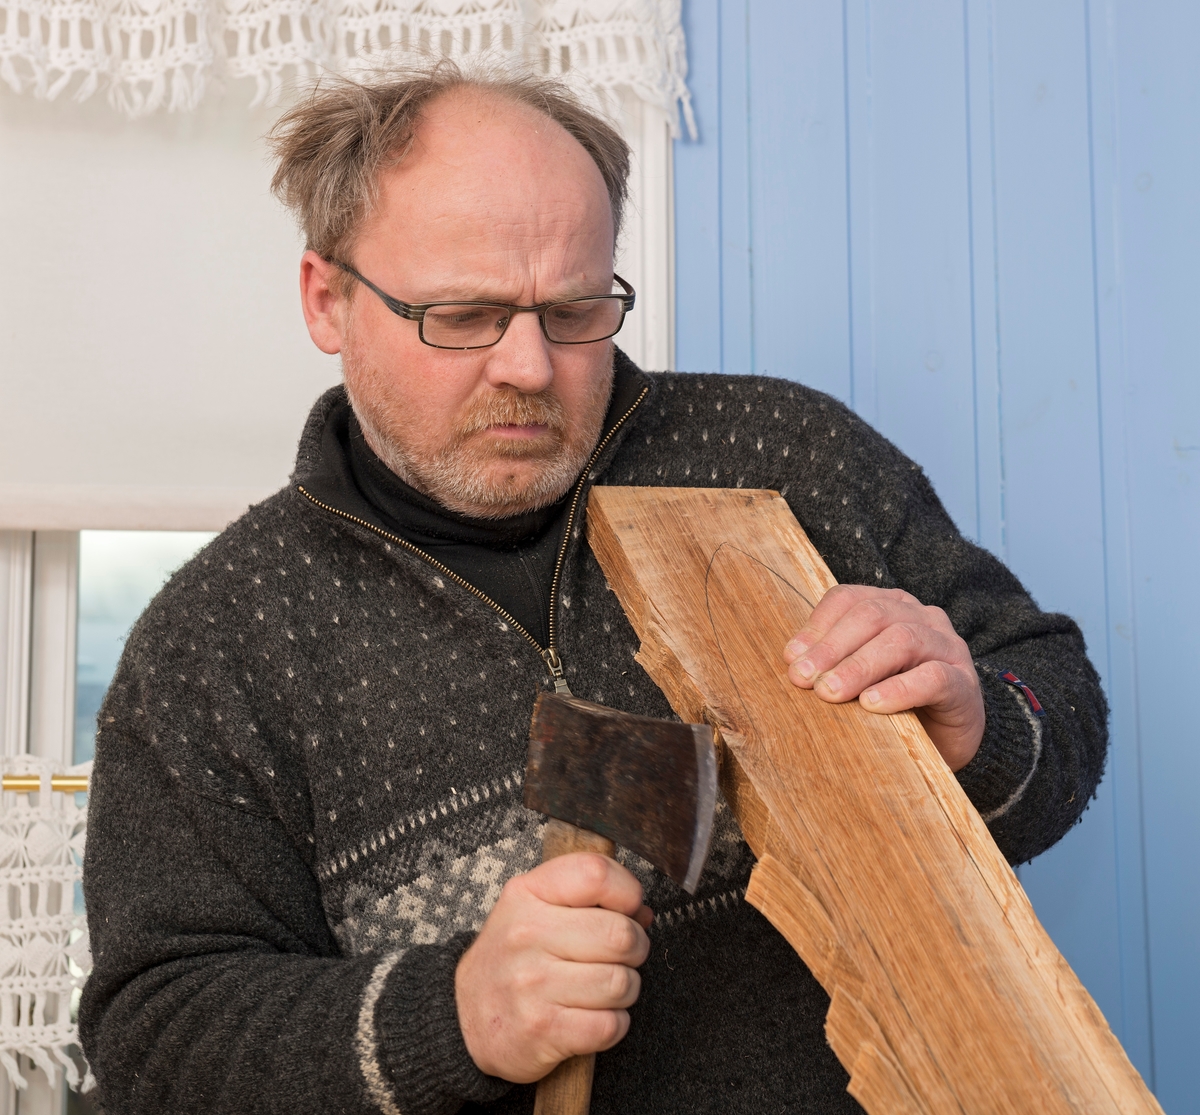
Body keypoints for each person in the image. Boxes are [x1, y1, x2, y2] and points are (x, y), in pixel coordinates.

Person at [79, 62, 1108, 1115]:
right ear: (327, 298)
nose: (529, 365)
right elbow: (156, 1033)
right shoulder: (214, 645)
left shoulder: (784, 457)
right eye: (465, 315)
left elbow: (1052, 688)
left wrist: (984, 725)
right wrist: (453, 1016)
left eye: (574, 309)